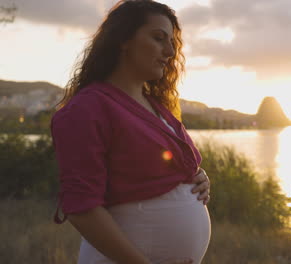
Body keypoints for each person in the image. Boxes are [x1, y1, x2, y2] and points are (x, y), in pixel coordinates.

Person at [50, 1, 211, 263]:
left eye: (172, 42)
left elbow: (158, 169)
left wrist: (197, 177)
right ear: (124, 39)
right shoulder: (88, 108)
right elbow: (81, 207)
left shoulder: (158, 107)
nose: (170, 51)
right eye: (158, 38)